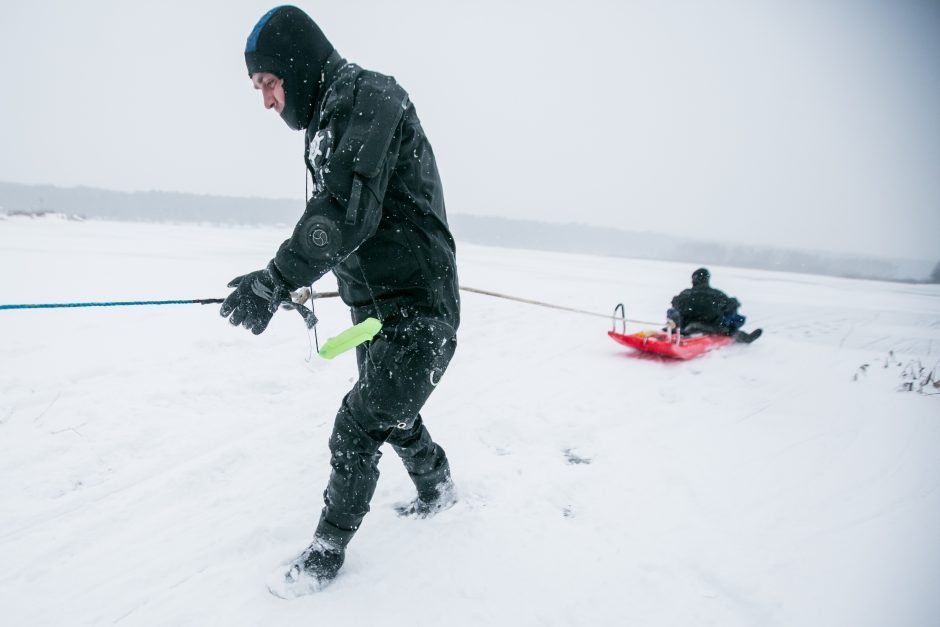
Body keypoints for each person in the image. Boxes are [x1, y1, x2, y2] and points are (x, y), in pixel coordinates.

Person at [220, 5, 461, 596]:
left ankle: (328, 553)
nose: (268, 102)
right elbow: (339, 217)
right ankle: (440, 488)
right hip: (374, 313)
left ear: (296, 66)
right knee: (391, 415)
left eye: (269, 83)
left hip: (420, 311)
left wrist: (277, 277)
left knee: (358, 425)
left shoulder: (371, 96)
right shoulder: (331, 115)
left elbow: (345, 209)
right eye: (260, 89)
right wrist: (280, 278)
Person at [666, 268, 762, 343]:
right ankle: (743, 337)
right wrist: (734, 303)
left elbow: (674, 302)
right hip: (711, 327)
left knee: (673, 311)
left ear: (693, 280)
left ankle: (673, 329)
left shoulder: (685, 293)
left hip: (686, 325)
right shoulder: (717, 294)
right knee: (730, 321)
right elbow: (731, 305)